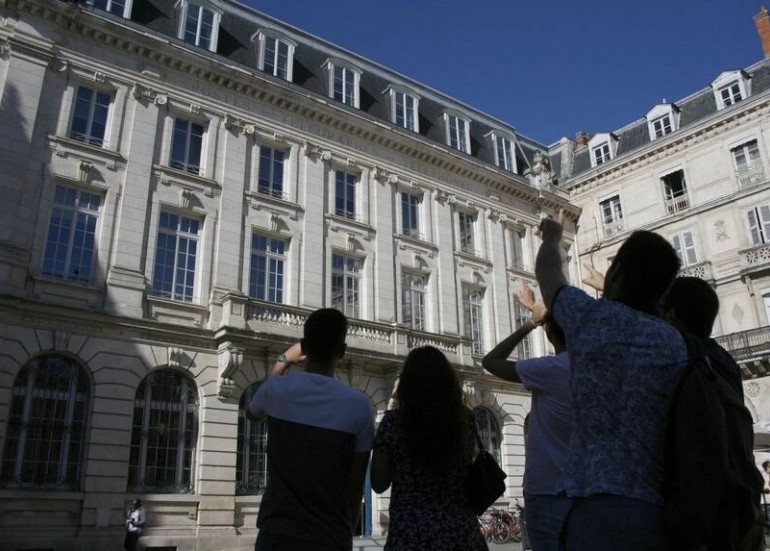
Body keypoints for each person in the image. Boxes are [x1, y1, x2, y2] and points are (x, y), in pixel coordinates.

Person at [536, 214, 687, 551]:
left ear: (614, 274)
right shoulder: (674, 342)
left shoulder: (590, 317)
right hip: (653, 506)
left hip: (594, 503)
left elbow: (548, 275)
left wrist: (552, 238)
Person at [248, 308, 375, 551]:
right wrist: (346, 532)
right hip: (330, 535)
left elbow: (251, 414)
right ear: (342, 351)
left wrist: (283, 361)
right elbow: (355, 483)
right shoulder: (359, 405)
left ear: (303, 347)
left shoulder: (276, 390)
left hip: (277, 533)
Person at [482, 283, 573, 551]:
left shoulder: (551, 370)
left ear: (550, 334)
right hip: (587, 491)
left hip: (547, 491)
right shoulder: (597, 368)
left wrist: (530, 322)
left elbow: (491, 362)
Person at [370, 346, 488, 551]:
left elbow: (379, 484)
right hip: (460, 533)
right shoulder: (465, 420)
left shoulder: (393, 424)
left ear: (407, 383)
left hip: (410, 534)